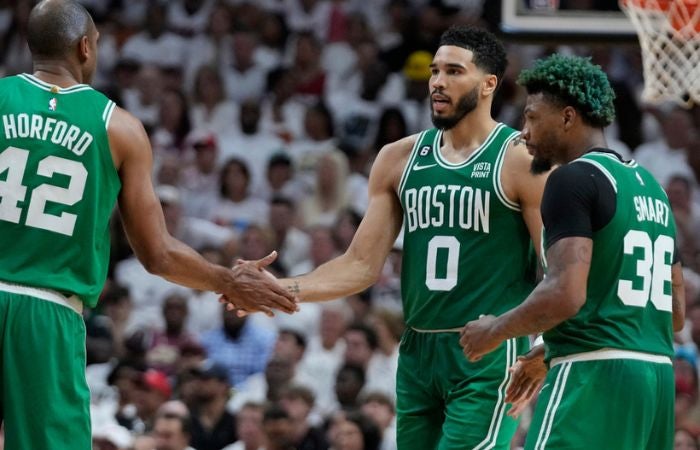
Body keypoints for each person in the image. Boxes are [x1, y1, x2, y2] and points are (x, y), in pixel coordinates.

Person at [0, 2, 297, 450]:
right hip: (46, 311)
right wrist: (225, 279)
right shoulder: (118, 127)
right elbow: (156, 253)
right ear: (84, 47)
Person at [265, 25, 548, 449]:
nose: (437, 82)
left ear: (489, 84)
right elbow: (360, 265)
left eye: (454, 71)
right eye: (435, 71)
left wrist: (543, 344)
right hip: (417, 352)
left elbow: (559, 267)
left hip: (487, 352)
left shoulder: (521, 160)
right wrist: (281, 288)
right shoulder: (398, 157)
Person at [460, 54, 686, 450]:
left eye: (531, 117)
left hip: (592, 378)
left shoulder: (572, 179)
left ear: (567, 117)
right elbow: (676, 312)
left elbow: (565, 292)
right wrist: (549, 350)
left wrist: (493, 332)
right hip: (655, 383)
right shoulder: (652, 187)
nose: (523, 132)